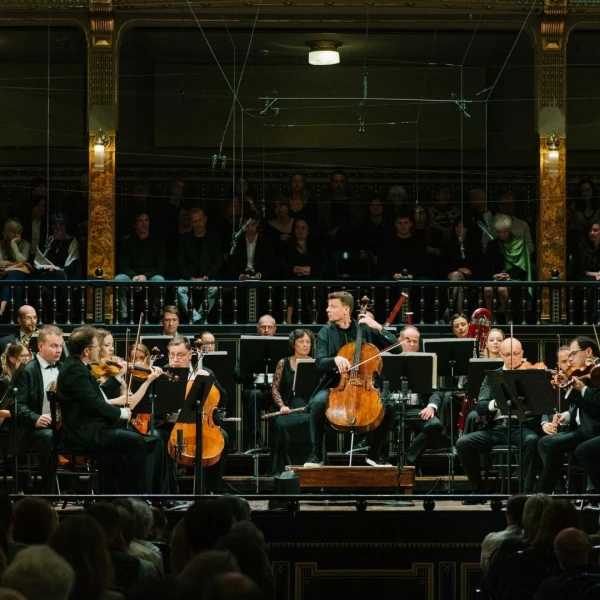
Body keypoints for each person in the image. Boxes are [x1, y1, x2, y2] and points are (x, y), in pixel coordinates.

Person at [304, 291, 400, 467]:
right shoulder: (325, 332)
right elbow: (320, 361)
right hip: (335, 385)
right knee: (317, 403)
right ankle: (316, 454)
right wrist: (335, 360)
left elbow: (397, 349)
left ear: (346, 309)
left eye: (333, 306)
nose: (327, 310)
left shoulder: (365, 329)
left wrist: (378, 327)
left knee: (390, 406)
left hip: (365, 384)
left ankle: (374, 452)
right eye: (328, 306)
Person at [56, 326, 156, 494]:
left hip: (90, 427)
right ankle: (134, 496)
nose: (99, 349)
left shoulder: (78, 365)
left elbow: (97, 399)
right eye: (97, 346)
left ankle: (120, 493)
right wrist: (121, 413)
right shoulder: (75, 370)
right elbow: (95, 404)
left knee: (146, 440)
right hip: (84, 433)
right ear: (86, 351)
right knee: (136, 442)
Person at [455, 337, 540, 502]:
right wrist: (497, 402)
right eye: (507, 354)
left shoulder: (529, 375)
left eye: (515, 354)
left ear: (522, 353)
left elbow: (539, 406)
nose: (511, 358)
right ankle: (478, 490)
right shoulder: (492, 377)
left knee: (532, 440)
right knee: (463, 443)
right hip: (496, 428)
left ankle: (526, 490)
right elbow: (480, 407)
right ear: (501, 355)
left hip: (520, 427)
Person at [165, 335, 229, 492]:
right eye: (172, 355)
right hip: (172, 425)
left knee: (224, 437)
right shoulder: (165, 373)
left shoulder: (204, 371)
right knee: (161, 439)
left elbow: (223, 399)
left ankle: (212, 489)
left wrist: (211, 380)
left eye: (180, 355)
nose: (175, 359)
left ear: (190, 355)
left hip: (201, 423)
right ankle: (171, 491)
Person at [537, 336, 600, 494]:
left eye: (573, 354)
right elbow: (583, 405)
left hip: (595, 430)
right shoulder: (586, 372)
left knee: (582, 451)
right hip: (584, 429)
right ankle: (544, 494)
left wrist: (581, 389)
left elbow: (595, 405)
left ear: (588, 352)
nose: (570, 359)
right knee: (547, 443)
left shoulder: (597, 372)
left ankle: (594, 494)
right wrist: (568, 387)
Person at [14, 324, 64, 491]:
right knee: (48, 437)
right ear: (41, 346)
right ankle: (49, 492)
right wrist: (36, 418)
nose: (59, 350)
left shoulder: (63, 368)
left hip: (60, 426)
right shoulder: (27, 370)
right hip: (33, 429)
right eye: (54, 346)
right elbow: (17, 405)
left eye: (60, 345)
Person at [398, 326, 452, 468]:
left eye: (415, 341)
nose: (412, 344)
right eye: (408, 340)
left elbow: (435, 391)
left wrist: (431, 406)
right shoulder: (387, 359)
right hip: (392, 409)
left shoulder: (425, 362)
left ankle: (408, 460)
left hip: (415, 409)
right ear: (399, 341)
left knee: (435, 425)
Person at [269, 329, 313, 475]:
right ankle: (283, 468)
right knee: (280, 424)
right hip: (287, 406)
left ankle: (310, 467)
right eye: (301, 341)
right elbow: (275, 388)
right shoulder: (283, 363)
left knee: (313, 422)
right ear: (293, 344)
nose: (305, 345)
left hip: (307, 407)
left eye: (308, 342)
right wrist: (282, 406)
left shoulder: (315, 363)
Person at [235, 314, 278, 452]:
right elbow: (237, 375)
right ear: (257, 329)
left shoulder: (282, 348)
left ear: (275, 329)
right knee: (253, 395)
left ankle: (276, 444)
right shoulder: (248, 348)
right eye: (263, 327)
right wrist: (253, 374)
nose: (266, 330)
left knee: (281, 397)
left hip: (275, 390)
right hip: (254, 389)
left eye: (269, 327)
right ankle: (255, 442)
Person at [115, 211, 166, 323]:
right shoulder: (127, 241)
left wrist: (145, 276)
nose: (144, 224)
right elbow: (123, 264)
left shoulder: (157, 242)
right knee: (119, 279)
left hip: (149, 278)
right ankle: (123, 317)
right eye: (140, 221)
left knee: (160, 280)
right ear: (135, 224)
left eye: (146, 220)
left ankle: (156, 317)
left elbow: (160, 267)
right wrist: (134, 277)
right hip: (132, 277)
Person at [177, 207, 222, 324]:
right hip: (189, 278)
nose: (198, 224)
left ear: (205, 219)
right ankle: (196, 318)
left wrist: (205, 278)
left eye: (200, 220)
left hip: (207, 278)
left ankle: (199, 317)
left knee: (214, 289)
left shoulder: (215, 239)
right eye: (195, 221)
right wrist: (191, 278)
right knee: (180, 289)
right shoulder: (184, 239)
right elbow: (182, 263)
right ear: (191, 223)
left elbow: (217, 262)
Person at [0, 218, 31, 318]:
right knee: (14, 283)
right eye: (13, 232)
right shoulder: (1, 244)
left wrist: (13, 245)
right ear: (6, 232)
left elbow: (21, 260)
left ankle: (3, 304)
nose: (17, 235)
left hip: (21, 275)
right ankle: (18, 315)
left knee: (13, 275)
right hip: (3, 274)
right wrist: (13, 264)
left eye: (19, 232)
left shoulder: (25, 244)